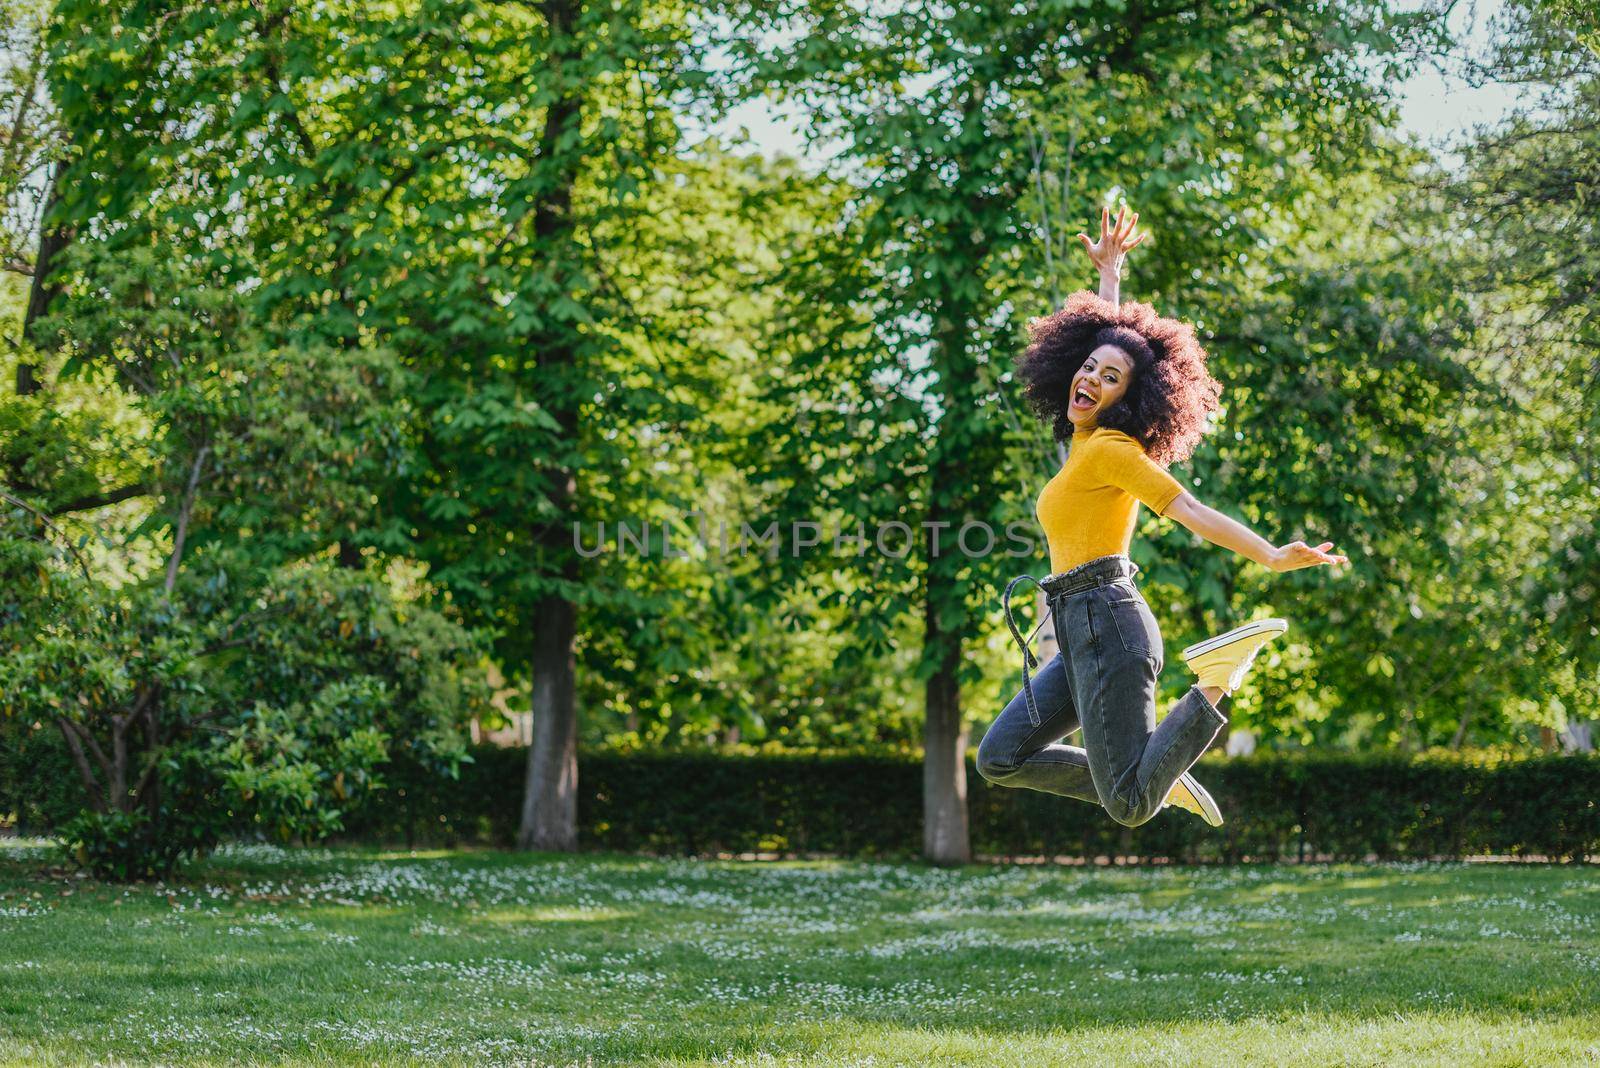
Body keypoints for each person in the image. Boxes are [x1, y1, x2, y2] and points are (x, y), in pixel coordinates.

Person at [975, 206, 1347, 828]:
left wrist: (1274, 556)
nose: (1091, 377)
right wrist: (1110, 278)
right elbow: (1112, 342)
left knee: (1127, 806)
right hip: (1075, 631)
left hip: (1108, 624)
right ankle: (1161, 768)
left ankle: (1215, 682)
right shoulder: (1083, 449)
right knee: (1000, 757)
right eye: (1088, 366)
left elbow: (1192, 509)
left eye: (1110, 377)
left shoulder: (1115, 452)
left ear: (1133, 399)